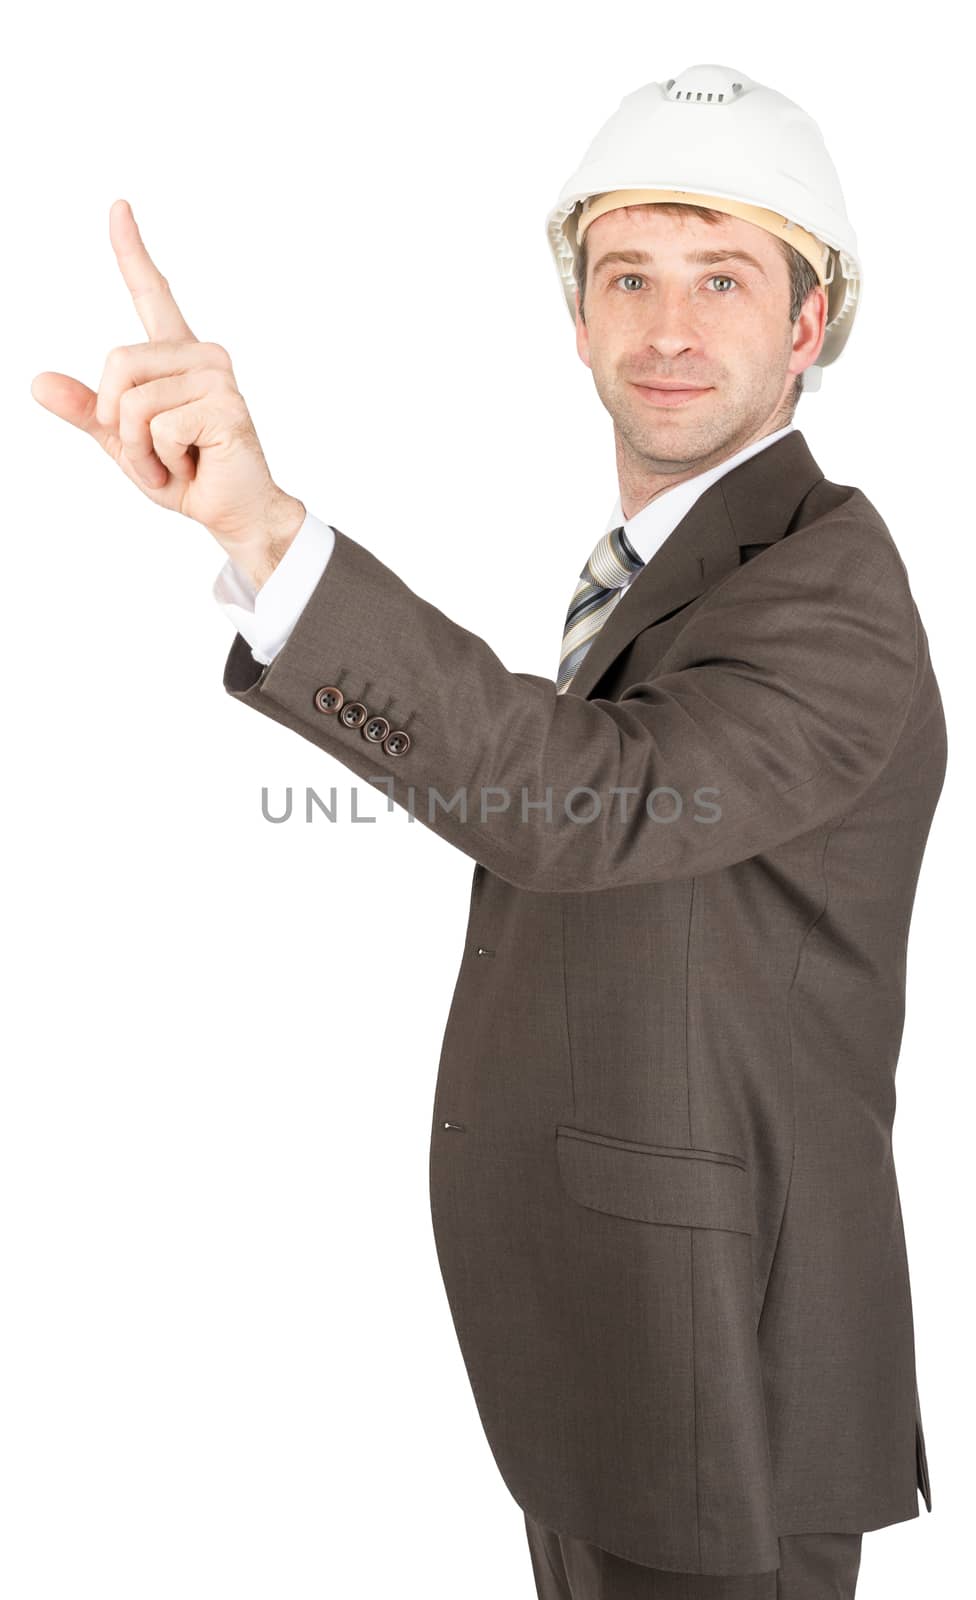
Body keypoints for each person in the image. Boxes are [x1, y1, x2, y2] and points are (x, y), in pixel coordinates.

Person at [31, 61, 946, 1600]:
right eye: (629, 277)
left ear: (808, 326)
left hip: (728, 1375)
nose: (667, 326)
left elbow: (578, 801)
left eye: (723, 279)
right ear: (575, 318)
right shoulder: (678, 575)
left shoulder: (832, 589)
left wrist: (271, 537)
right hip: (622, 1354)